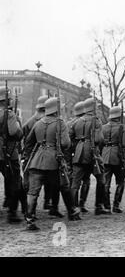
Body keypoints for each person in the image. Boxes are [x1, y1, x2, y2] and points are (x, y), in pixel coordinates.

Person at [24, 97, 80, 230]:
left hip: (37, 160)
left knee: (33, 192)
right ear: (56, 109)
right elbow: (66, 143)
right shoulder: (60, 123)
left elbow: (28, 142)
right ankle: (72, 212)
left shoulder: (38, 123)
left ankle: (30, 220)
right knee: (65, 186)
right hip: (54, 161)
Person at [69, 97, 108, 215]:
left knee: (75, 183)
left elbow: (69, 139)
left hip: (79, 154)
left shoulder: (76, 122)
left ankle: (73, 208)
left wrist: (77, 148)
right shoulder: (96, 121)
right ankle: (98, 207)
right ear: (93, 108)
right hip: (92, 153)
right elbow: (99, 139)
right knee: (101, 180)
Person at [0, 86, 24, 223]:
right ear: (7, 100)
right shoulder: (9, 114)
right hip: (8, 152)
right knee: (15, 181)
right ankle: (12, 213)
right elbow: (15, 132)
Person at [102, 106, 125, 213]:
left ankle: (107, 206)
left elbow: (99, 141)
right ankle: (116, 205)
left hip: (105, 155)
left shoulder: (103, 127)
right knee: (121, 181)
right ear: (119, 115)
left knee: (106, 182)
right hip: (117, 157)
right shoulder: (122, 127)